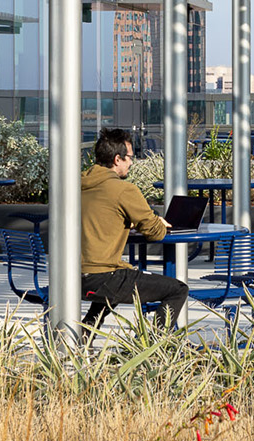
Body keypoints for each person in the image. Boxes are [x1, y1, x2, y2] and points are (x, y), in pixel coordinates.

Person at [80, 128, 188, 329]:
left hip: (74, 275)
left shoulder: (78, 184)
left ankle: (85, 334)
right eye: (130, 157)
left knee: (119, 275)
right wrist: (157, 221)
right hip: (101, 277)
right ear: (117, 160)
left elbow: (100, 216)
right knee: (177, 289)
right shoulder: (124, 190)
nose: (132, 162)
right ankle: (153, 347)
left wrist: (125, 221)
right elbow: (155, 233)